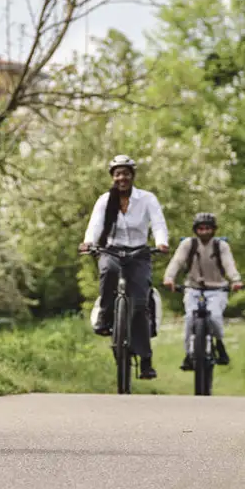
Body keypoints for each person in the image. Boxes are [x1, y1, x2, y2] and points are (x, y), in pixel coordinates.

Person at [78, 155, 170, 380]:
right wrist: (89, 242)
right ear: (113, 177)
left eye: (126, 173)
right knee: (108, 272)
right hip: (112, 250)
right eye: (118, 173)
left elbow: (157, 223)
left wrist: (161, 242)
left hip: (139, 254)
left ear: (132, 175)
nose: (122, 178)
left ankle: (145, 360)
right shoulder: (104, 200)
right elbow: (95, 224)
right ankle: (105, 315)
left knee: (139, 305)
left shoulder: (147, 199)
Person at [162, 213, 244, 371]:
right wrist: (169, 278)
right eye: (201, 228)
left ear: (213, 230)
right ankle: (188, 354)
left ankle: (219, 345)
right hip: (193, 289)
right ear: (195, 230)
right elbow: (177, 261)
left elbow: (229, 264)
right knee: (189, 320)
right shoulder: (188, 244)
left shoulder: (221, 246)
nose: (204, 232)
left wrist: (235, 280)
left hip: (217, 289)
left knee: (215, 316)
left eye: (208, 228)